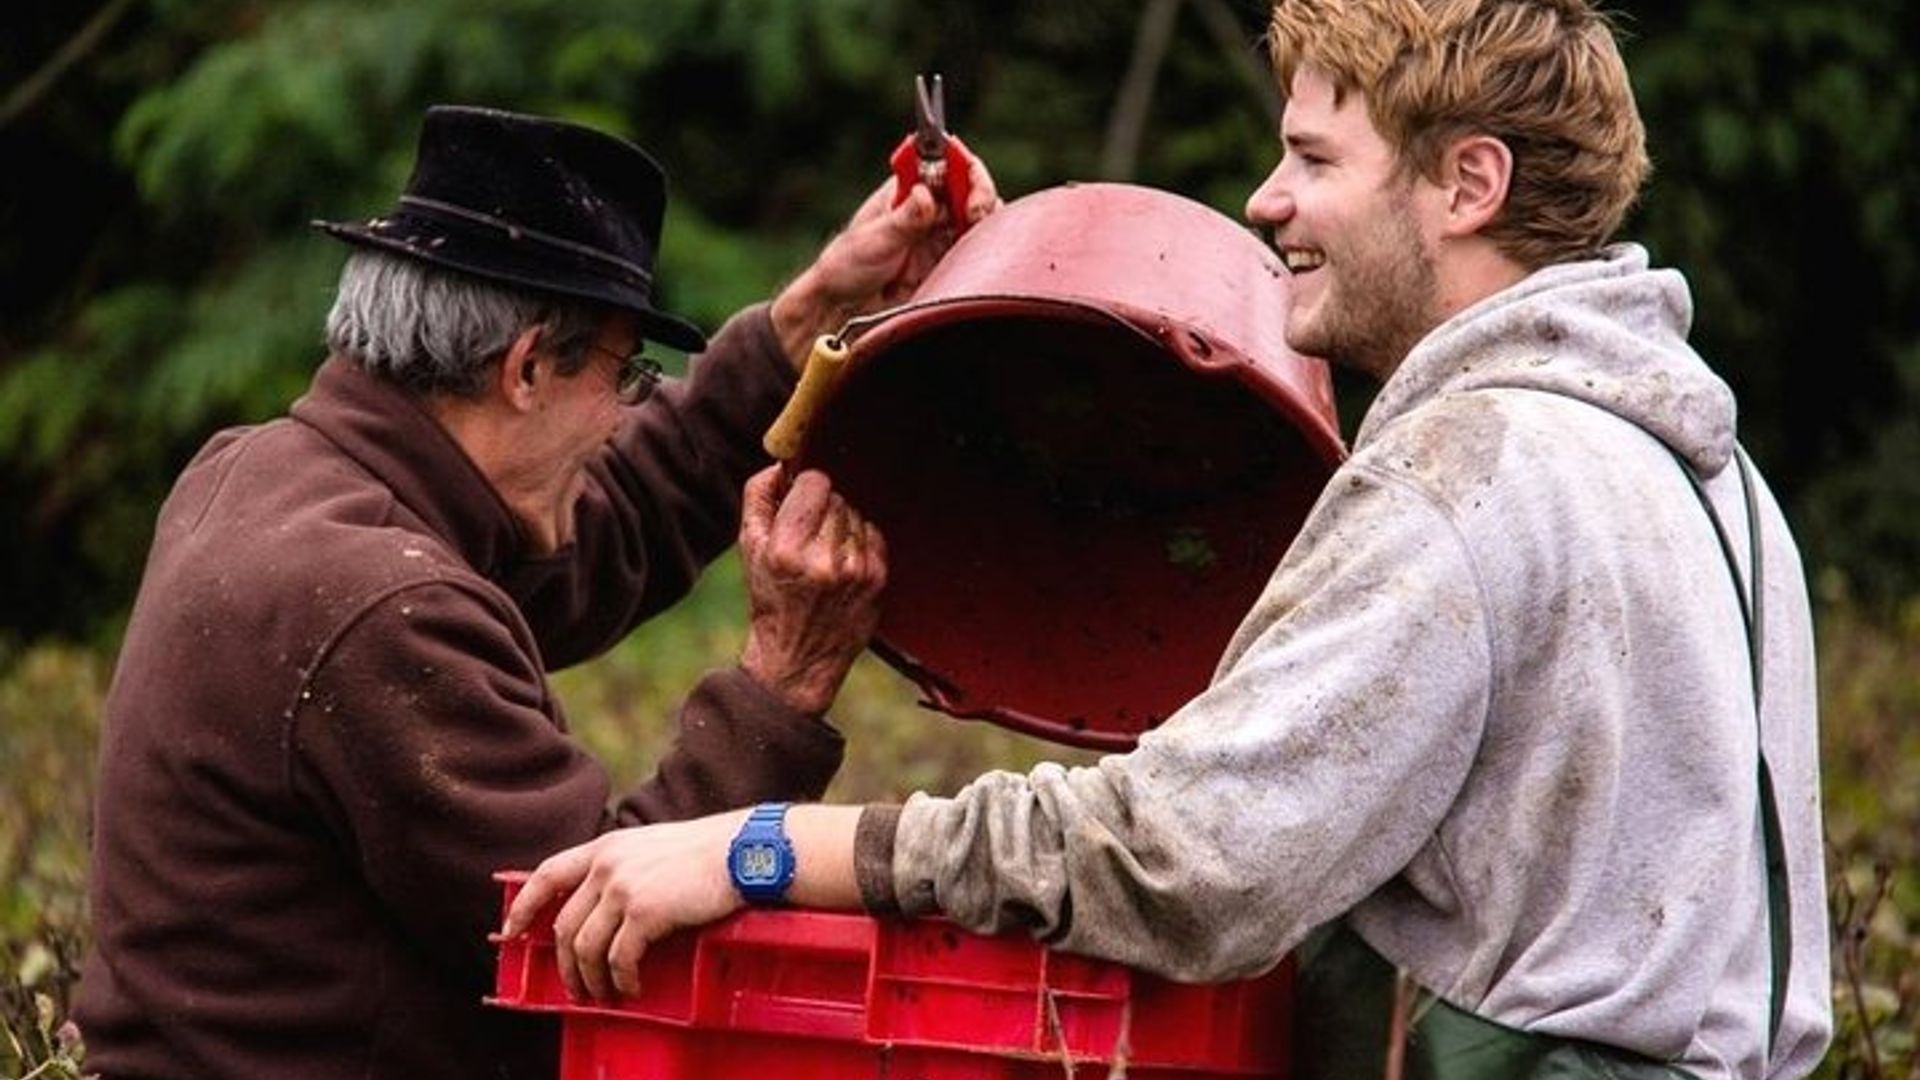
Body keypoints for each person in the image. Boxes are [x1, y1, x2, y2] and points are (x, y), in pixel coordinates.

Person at [507, 3, 1835, 1078]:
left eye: (1316, 159)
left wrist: (760, 846)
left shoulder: (1469, 470)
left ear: (1467, 184)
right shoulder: (1705, 477)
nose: (1269, 203)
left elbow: (1180, 861)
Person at [75, 104, 997, 1079]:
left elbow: (604, 524)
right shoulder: (379, 608)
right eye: (625, 373)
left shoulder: (265, 476)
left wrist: (811, 319)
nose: (624, 414)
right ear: (523, 369)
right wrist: (784, 682)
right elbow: (597, 931)